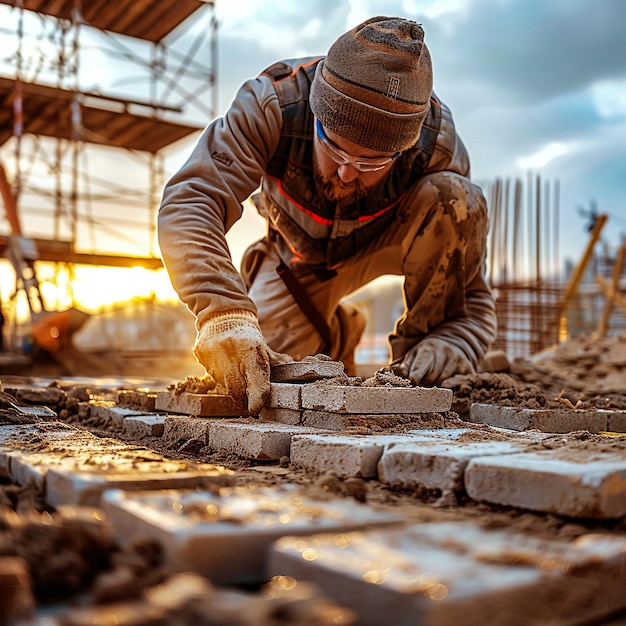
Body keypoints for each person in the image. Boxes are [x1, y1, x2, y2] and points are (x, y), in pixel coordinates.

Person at [158, 16, 497, 414]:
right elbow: (192, 200)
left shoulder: (437, 143)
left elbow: (466, 282)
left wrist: (455, 339)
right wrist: (223, 310)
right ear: (316, 113)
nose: (347, 172)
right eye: (334, 148)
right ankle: (334, 331)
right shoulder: (273, 104)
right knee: (260, 367)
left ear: (402, 149)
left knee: (458, 199)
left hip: (386, 241)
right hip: (299, 257)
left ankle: (417, 360)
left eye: (371, 162)